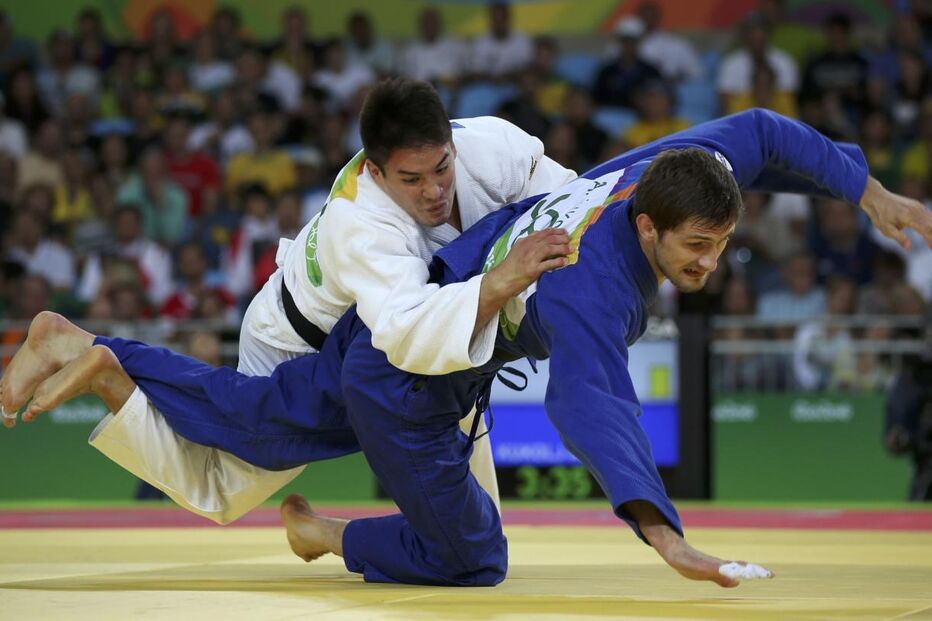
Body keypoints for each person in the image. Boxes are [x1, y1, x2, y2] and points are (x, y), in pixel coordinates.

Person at [6, 109, 932, 586]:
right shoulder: (590, 282)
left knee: (254, 423)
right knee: (477, 557)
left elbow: (764, 136)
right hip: (415, 378)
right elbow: (588, 402)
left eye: (722, 244)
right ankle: (331, 534)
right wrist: (663, 533)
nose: (710, 262)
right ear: (648, 226)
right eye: (696, 246)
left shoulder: (669, 167)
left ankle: (100, 349)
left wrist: (868, 192)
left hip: (396, 334)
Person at [3, 78, 577, 521]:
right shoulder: (362, 221)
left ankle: (474, 542)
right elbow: (412, 335)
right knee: (218, 490)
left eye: (441, 168)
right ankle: (100, 361)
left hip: (376, 343)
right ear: (375, 170)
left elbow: (569, 197)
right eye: (411, 179)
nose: (434, 190)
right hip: (296, 342)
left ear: (453, 141)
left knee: (463, 428)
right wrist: (503, 281)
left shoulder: (492, 144)